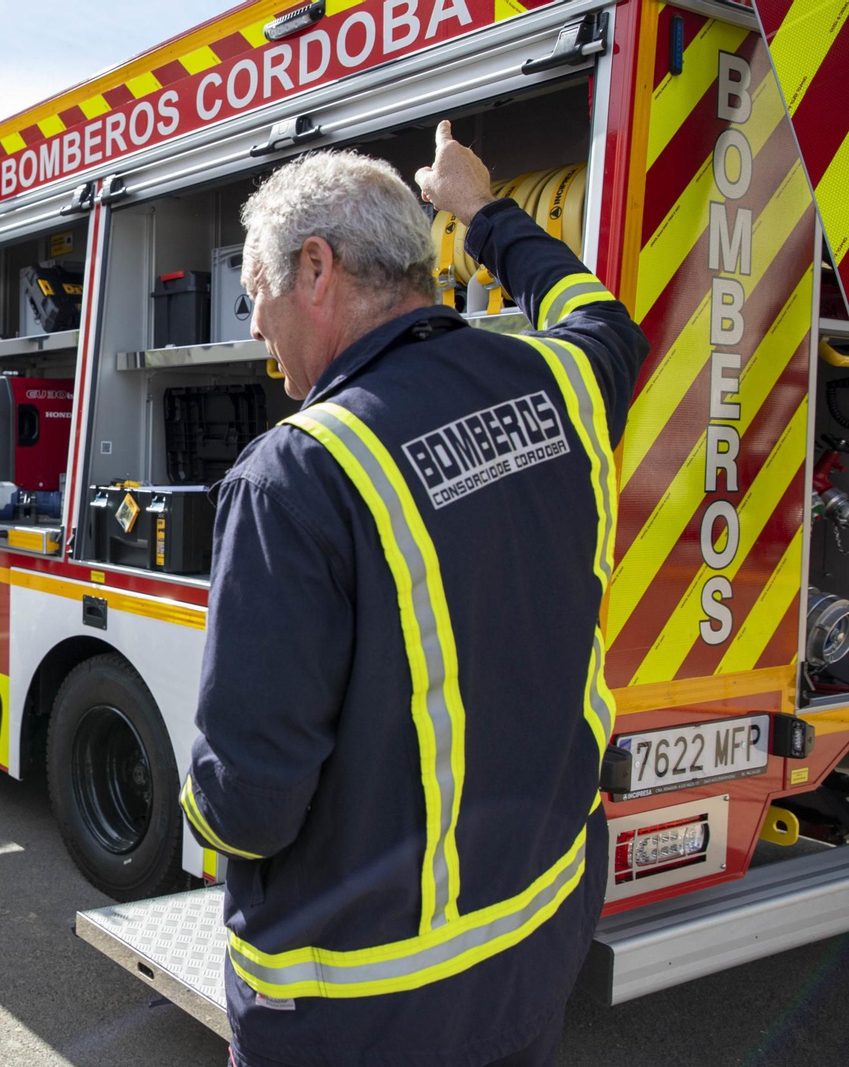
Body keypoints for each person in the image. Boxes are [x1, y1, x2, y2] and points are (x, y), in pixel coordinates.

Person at [181, 124, 650, 1067]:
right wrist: (479, 210)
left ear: (317, 268)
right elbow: (601, 318)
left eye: (257, 296)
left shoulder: (298, 473)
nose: (260, 336)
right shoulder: (563, 380)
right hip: (533, 947)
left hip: (361, 1008)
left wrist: (196, 802)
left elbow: (251, 806)